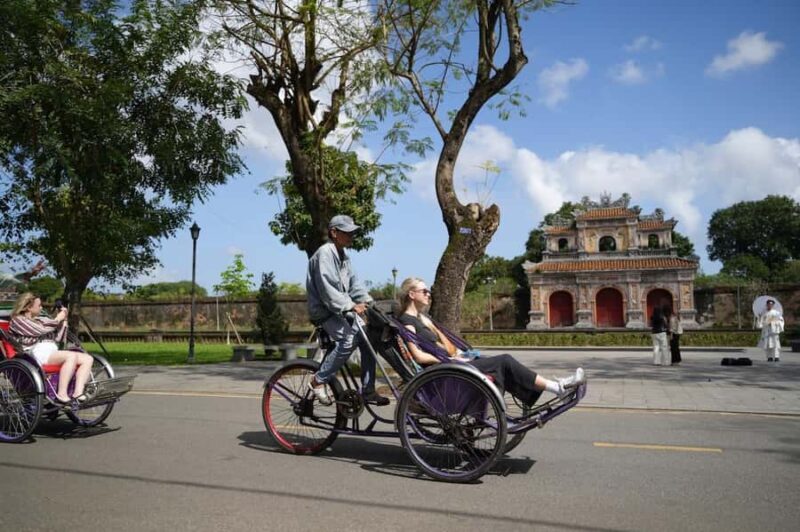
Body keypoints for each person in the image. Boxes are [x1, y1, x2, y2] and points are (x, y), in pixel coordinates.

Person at [396, 277, 585, 405]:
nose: (429, 294)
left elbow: (435, 346)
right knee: (504, 361)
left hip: (452, 363)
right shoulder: (407, 321)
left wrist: (458, 355)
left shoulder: (422, 319)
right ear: (412, 295)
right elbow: (418, 356)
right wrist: (449, 361)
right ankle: (557, 388)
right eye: (424, 291)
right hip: (443, 370)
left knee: (502, 366)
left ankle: (554, 388)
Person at [306, 215, 389, 406]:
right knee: (348, 338)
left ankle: (368, 390)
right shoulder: (324, 254)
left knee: (368, 337)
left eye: (353, 232)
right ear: (334, 232)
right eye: (347, 232)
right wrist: (351, 306)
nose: (352, 236)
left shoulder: (344, 257)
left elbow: (355, 286)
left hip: (340, 310)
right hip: (325, 311)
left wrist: (371, 304)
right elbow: (328, 291)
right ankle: (318, 380)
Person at [8, 292, 94, 406]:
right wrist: (58, 319)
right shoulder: (18, 320)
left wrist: (63, 321)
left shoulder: (40, 319)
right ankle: (61, 394)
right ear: (28, 307)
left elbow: (57, 337)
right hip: (34, 353)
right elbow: (41, 330)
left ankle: (78, 392)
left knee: (88, 359)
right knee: (71, 356)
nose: (41, 307)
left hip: (50, 351)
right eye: (39, 305)